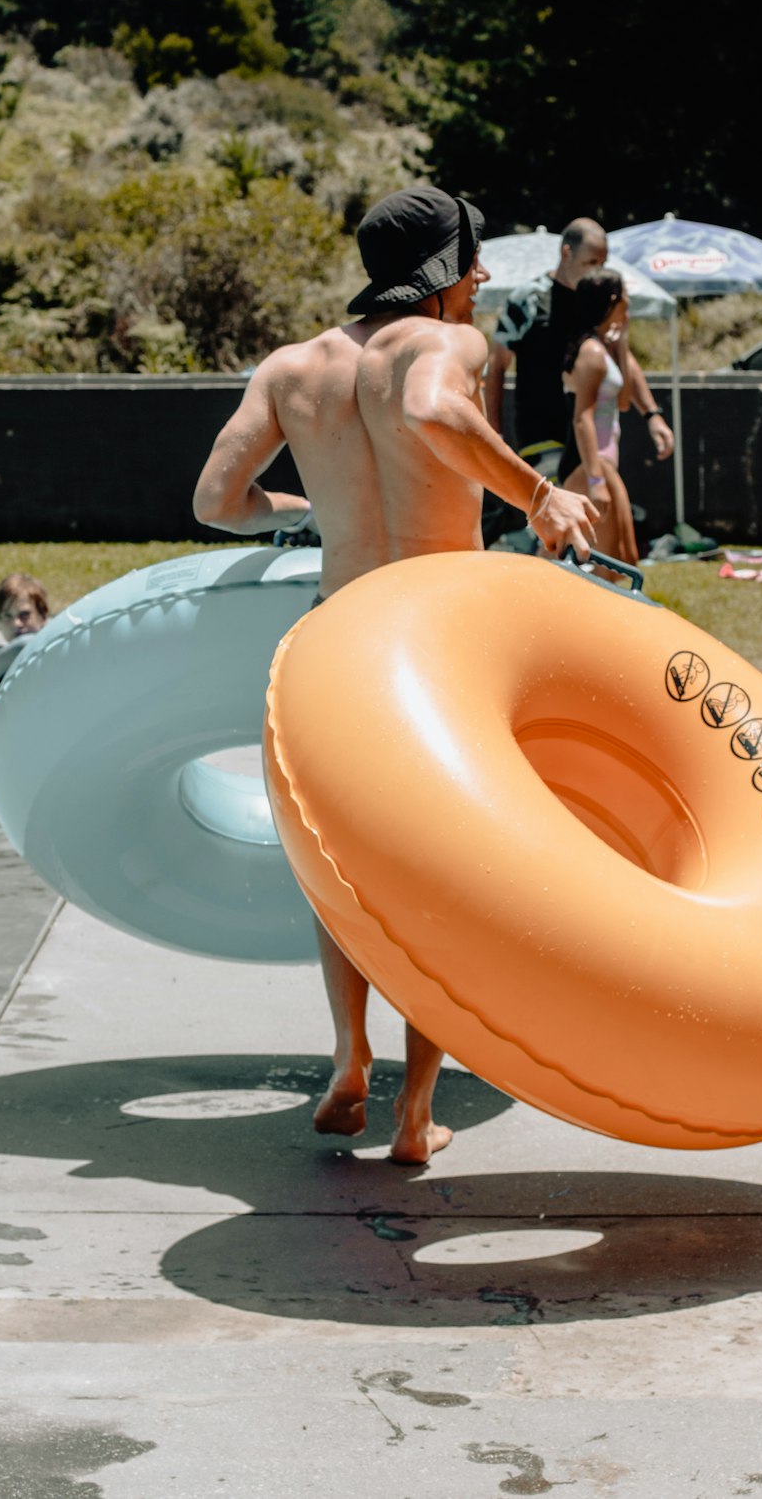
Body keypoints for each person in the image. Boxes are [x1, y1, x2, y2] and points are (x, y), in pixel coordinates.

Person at [193, 185, 598, 1166]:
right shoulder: (448, 346)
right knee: (441, 876)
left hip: (339, 635)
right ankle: (415, 1113)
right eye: (476, 260)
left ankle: (345, 1058)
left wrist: (307, 508)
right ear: (445, 271)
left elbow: (215, 500)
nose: (485, 279)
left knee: (349, 861)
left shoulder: (294, 366)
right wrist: (542, 496)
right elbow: (425, 411)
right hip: (429, 640)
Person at [485, 216, 674, 463]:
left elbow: (620, 354)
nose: (598, 270)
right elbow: (497, 365)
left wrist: (652, 415)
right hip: (541, 435)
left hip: (593, 439)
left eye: (603, 263)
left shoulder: (599, 300)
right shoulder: (530, 299)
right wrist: (494, 432)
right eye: (591, 262)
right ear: (566, 253)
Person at [558, 269, 640, 570]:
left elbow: (623, 401)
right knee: (612, 564)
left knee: (621, 559)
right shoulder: (591, 352)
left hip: (601, 464)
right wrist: (594, 480)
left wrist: (622, 342)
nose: (629, 301)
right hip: (588, 466)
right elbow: (582, 418)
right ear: (614, 300)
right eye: (625, 295)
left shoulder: (600, 347)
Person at [0, 573, 50, 709]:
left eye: (24, 615)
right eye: (7, 616)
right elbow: (24, 645)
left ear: (43, 616)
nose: (16, 623)